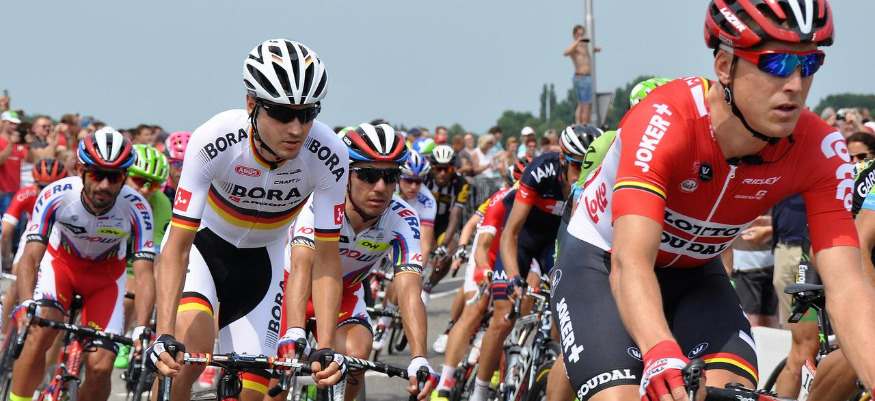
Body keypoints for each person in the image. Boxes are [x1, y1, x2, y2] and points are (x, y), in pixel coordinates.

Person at [553, 1, 875, 400]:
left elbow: (846, 285)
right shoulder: (665, 119)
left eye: (809, 64)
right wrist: (660, 353)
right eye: (775, 63)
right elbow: (630, 261)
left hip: (696, 275)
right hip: (601, 264)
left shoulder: (821, 149)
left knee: (722, 391)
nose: (795, 83)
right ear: (724, 66)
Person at [145, 39, 349, 401]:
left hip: (263, 262)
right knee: (188, 355)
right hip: (204, 248)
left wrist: (327, 345)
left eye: (308, 114)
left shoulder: (329, 154)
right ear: (252, 104)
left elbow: (328, 259)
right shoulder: (214, 140)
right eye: (282, 114)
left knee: (254, 393)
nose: (296, 129)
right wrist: (163, 334)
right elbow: (177, 246)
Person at [279, 124, 435, 401]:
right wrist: (294, 329)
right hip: (289, 288)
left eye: (390, 176)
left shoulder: (402, 217)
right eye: (368, 175)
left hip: (345, 293)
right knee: (276, 380)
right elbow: (302, 266)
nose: (380, 187)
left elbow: (410, 290)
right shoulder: (321, 202)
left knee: (357, 355)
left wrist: (419, 357)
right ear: (347, 175)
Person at [9, 128, 155, 401]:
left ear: (124, 177)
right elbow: (31, 256)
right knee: (39, 332)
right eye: (97, 174)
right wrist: (27, 302)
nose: (104, 185)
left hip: (105, 281)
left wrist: (142, 326)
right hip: (61, 267)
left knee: (100, 367)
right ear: (80, 170)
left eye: (114, 177)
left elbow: (145, 274)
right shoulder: (56, 195)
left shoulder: (137, 208)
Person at [467, 125, 587, 401]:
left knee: (564, 309)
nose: (582, 174)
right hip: (523, 237)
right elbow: (511, 232)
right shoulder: (541, 170)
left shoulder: (591, 180)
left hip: (553, 241)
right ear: (563, 160)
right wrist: (513, 276)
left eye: (587, 166)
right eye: (577, 166)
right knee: (504, 317)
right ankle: (479, 393)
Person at [114, 144, 173, 369]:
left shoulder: (162, 203)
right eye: (139, 180)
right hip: (106, 251)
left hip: (135, 255)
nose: (146, 189)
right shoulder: (112, 193)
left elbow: (155, 256)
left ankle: (126, 338)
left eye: (154, 184)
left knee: (137, 285)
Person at [0, 158, 67, 331]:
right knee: (18, 282)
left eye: (52, 186)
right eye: (41, 186)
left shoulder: (70, 197)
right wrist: (4, 257)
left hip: (61, 237)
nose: (46, 192)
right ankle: (3, 334)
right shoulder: (27, 194)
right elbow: (5, 231)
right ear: (34, 183)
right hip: (35, 231)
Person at [421, 145, 469, 305]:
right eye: (439, 169)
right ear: (432, 168)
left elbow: (455, 216)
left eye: (447, 169)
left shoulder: (461, 183)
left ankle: (428, 287)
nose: (442, 173)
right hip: (422, 219)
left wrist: (443, 246)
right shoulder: (424, 178)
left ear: (453, 169)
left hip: (445, 222)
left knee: (449, 250)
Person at [563, 25, 601, 125]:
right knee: (586, 104)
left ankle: (579, 124)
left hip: (585, 77)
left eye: (582, 34)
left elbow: (585, 56)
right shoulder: (574, 46)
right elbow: (566, 52)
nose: (581, 36)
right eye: (578, 34)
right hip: (581, 77)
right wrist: (577, 41)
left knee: (582, 104)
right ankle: (583, 125)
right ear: (574, 35)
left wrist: (594, 50)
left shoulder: (583, 47)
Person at [162, 130, 190, 202]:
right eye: (177, 163)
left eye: (188, 165)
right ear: (167, 162)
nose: (182, 170)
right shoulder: (157, 189)